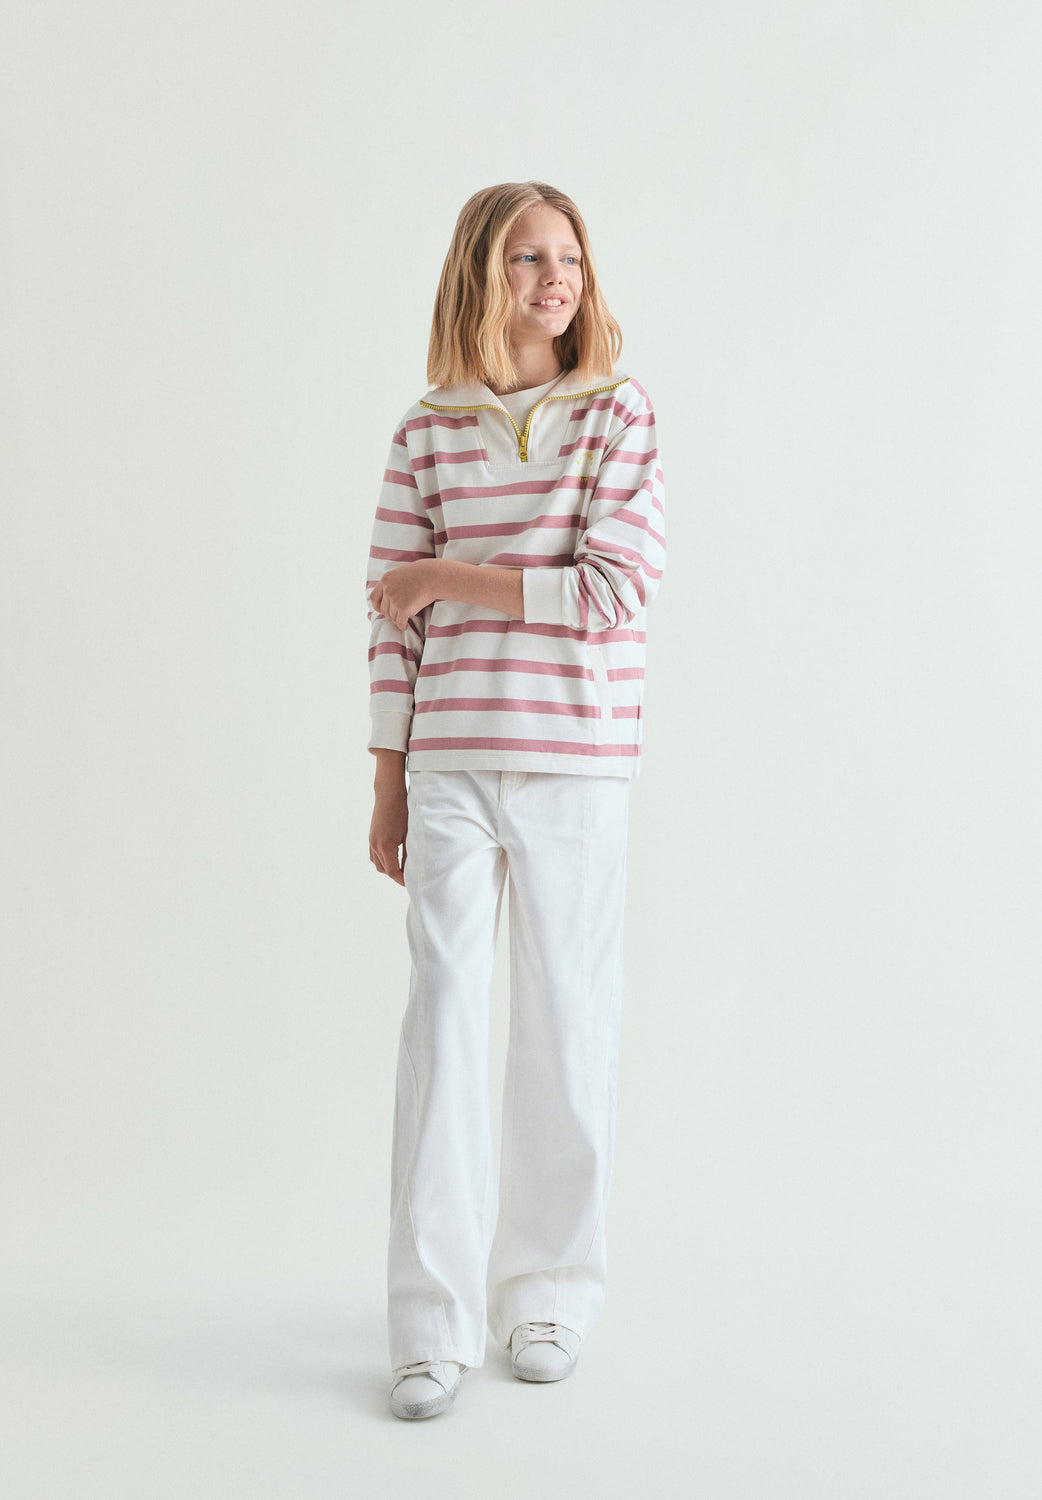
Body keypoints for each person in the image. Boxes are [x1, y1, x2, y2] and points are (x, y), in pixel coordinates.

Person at [364, 180, 667, 1420]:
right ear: (480, 273)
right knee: (442, 1024)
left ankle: (546, 1295)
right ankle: (426, 1323)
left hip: (574, 760)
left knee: (563, 1022)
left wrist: (449, 573)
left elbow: (610, 591)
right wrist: (386, 779)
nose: (555, 279)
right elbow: (387, 625)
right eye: (529, 258)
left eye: (570, 259)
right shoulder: (424, 432)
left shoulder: (618, 414)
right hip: (447, 761)